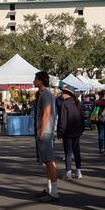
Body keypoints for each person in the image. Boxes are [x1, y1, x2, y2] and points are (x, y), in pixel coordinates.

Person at [34, 71, 59, 202]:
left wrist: (41, 132)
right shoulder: (45, 94)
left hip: (46, 132)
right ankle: (50, 189)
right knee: (47, 162)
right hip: (46, 131)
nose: (33, 81)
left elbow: (47, 113)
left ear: (40, 80)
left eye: (35, 78)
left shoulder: (46, 95)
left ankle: (54, 192)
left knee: (49, 161)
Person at [56, 86, 84, 181]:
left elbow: (62, 120)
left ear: (68, 94)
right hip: (77, 131)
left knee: (68, 153)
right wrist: (82, 129)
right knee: (77, 152)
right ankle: (78, 171)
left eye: (63, 92)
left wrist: (60, 132)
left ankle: (68, 173)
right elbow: (82, 117)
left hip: (68, 132)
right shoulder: (77, 103)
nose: (61, 94)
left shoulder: (65, 104)